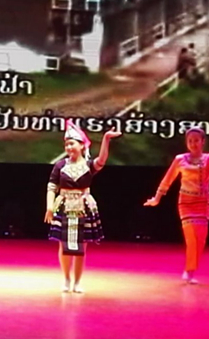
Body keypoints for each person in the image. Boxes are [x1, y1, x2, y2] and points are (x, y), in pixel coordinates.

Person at [144, 128, 209, 284]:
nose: (193, 144)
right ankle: (189, 271)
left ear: (203, 142)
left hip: (202, 203)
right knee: (191, 238)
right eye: (190, 141)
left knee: (200, 239)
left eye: (196, 140)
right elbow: (167, 180)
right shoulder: (180, 159)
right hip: (186, 202)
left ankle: (190, 270)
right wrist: (157, 198)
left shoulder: (208, 159)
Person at [44, 120, 121, 293]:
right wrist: (49, 207)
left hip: (83, 207)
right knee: (64, 245)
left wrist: (106, 139)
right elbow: (51, 187)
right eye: (66, 144)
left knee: (81, 246)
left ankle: (77, 282)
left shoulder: (88, 165)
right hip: (64, 206)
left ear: (81, 145)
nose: (69, 147)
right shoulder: (60, 166)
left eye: (72, 143)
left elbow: (102, 160)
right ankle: (66, 279)